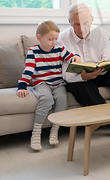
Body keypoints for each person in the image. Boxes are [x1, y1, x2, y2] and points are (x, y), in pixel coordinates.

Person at [57, 3, 110, 141]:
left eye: (85, 23)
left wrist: (101, 68)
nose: (82, 28)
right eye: (77, 24)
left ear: (91, 19)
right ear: (70, 22)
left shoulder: (100, 33)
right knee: (81, 88)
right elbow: (65, 73)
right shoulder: (62, 39)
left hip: (100, 72)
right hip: (79, 78)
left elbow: (109, 58)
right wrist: (83, 76)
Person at [17, 20, 80, 151]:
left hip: (58, 83)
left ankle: (54, 131)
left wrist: (77, 57)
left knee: (62, 99)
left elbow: (71, 57)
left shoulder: (59, 49)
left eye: (56, 39)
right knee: (47, 99)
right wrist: (22, 86)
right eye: (50, 39)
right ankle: (36, 133)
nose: (54, 42)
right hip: (41, 83)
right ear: (39, 37)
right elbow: (28, 70)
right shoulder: (33, 51)